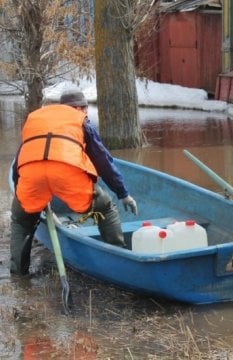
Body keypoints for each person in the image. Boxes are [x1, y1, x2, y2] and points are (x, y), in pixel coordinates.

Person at [10, 89, 138, 275]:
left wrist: (20, 194)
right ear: (80, 108)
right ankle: (117, 257)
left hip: (31, 174)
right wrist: (123, 193)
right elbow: (103, 162)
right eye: (85, 108)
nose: (85, 112)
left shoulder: (37, 122)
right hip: (66, 176)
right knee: (105, 207)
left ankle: (18, 275)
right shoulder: (82, 121)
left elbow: (19, 163)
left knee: (21, 221)